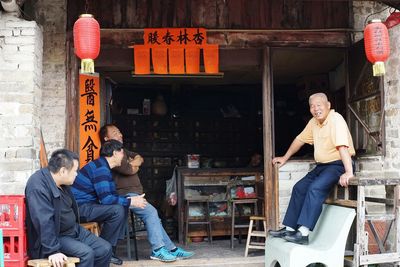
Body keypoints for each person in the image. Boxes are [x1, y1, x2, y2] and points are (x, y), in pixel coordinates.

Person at [269, 92, 355, 245]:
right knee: (299, 188)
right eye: (312, 106)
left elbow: (342, 146)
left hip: (339, 164)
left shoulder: (336, 120)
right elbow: (299, 140)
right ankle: (289, 228)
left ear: (328, 105)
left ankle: (303, 233)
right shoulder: (313, 122)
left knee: (315, 188)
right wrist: (284, 157)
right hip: (322, 166)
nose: (316, 109)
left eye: (319, 105)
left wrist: (348, 172)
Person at [99, 124, 194, 262]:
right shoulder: (111, 154)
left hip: (135, 194)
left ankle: (171, 249)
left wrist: (134, 162)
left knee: (154, 217)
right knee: (151, 213)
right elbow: (129, 170)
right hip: (125, 195)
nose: (120, 135)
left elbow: (139, 157)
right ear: (106, 138)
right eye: (115, 133)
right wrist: (133, 164)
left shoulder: (122, 150)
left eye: (120, 132)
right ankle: (157, 250)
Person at [25, 149, 112, 267]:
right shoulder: (38, 186)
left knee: (104, 249)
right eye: (75, 171)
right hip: (56, 236)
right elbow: (43, 221)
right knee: (86, 254)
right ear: (63, 171)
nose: (77, 174)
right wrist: (52, 251)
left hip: (73, 230)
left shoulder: (62, 182)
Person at [71, 140, 147, 265]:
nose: (124, 157)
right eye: (122, 153)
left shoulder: (103, 166)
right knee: (118, 209)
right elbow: (106, 199)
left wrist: (128, 201)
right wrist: (131, 201)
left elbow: (110, 196)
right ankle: (104, 250)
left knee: (121, 207)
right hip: (80, 208)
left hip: (88, 205)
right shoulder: (101, 169)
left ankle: (109, 250)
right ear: (115, 153)